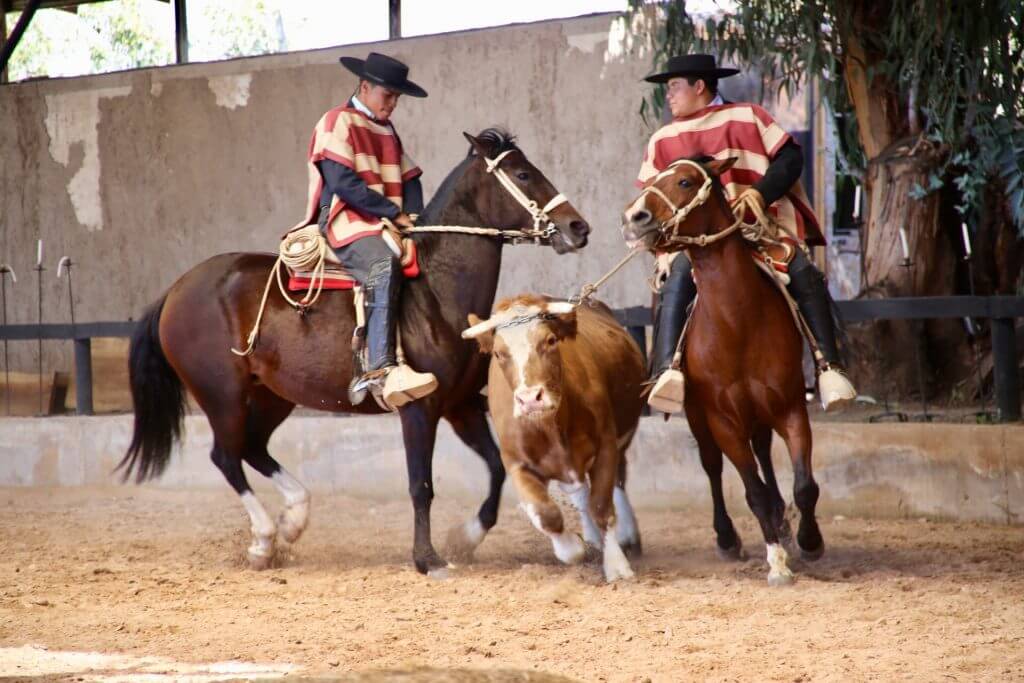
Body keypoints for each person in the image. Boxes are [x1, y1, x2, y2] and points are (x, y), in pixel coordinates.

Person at [636, 53, 856, 412]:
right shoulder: (662, 139)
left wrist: (759, 191)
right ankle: (667, 372)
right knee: (676, 279)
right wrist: (660, 245)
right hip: (697, 242)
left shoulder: (748, 116)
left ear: (700, 86)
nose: (669, 96)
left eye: (674, 86)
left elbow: (790, 158)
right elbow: (651, 197)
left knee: (802, 271)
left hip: (759, 230)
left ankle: (829, 368)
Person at [292, 51, 436, 407]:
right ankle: (380, 369)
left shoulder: (386, 130)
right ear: (365, 86)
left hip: (383, 220)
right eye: (388, 95)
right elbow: (342, 182)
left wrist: (414, 217)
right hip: (346, 217)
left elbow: (410, 178)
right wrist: (392, 212)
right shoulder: (336, 121)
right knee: (381, 265)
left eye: (397, 98)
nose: (393, 104)